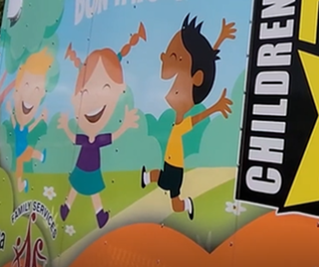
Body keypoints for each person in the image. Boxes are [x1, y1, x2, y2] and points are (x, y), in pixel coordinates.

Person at [141, 15, 235, 220]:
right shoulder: (178, 122)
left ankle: (182, 202)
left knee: (169, 191)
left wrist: (215, 107)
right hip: (171, 164)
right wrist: (220, 39)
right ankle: (149, 179)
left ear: (196, 79)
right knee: (165, 184)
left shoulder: (183, 123)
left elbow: (202, 64)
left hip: (175, 167)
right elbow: (204, 60)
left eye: (176, 58)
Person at [58, 23, 146, 229]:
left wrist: (125, 125)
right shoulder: (92, 139)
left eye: (106, 88)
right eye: (85, 93)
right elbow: (74, 138)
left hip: (89, 168)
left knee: (88, 190)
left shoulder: (96, 139)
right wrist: (65, 127)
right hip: (86, 167)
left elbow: (112, 137)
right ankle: (70, 208)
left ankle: (94, 213)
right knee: (81, 188)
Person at [6, 49, 54, 193]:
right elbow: (14, 121)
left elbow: (32, 126)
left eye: (37, 89)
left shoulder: (23, 128)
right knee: (22, 162)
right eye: (26, 85)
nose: (31, 93)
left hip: (22, 150)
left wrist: (40, 118)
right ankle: (22, 183)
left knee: (25, 158)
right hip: (20, 151)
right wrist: (9, 111)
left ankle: (39, 157)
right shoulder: (18, 126)